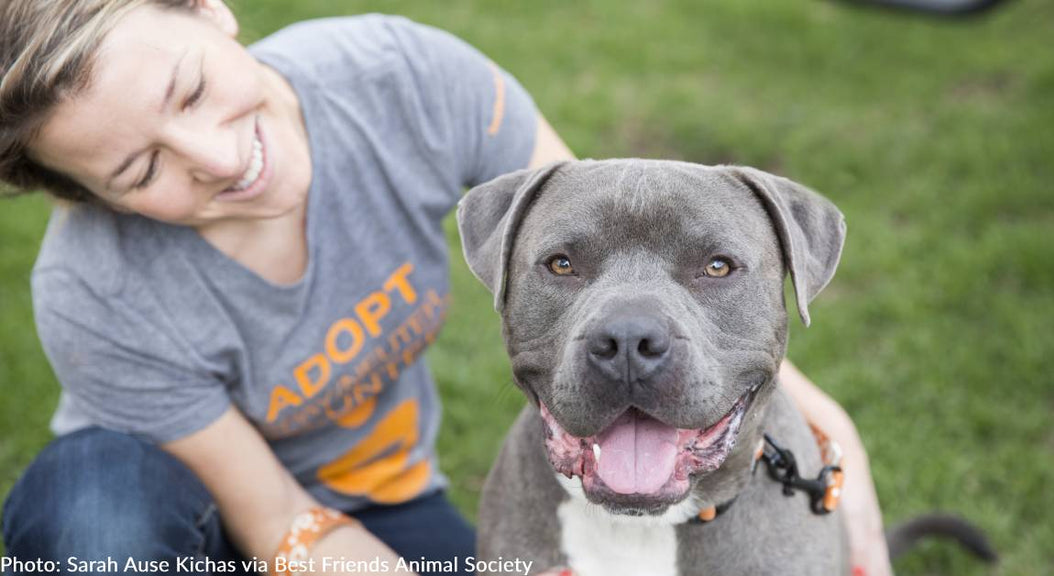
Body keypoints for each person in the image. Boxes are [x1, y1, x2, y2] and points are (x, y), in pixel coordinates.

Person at [0, 1, 892, 575]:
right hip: (182, 514)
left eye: (190, 90)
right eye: (140, 166)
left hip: (383, 501)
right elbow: (272, 518)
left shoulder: (403, 79)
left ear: (208, 10)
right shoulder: (91, 289)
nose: (220, 158)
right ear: (85, 197)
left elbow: (605, 226)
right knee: (96, 525)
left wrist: (819, 422)